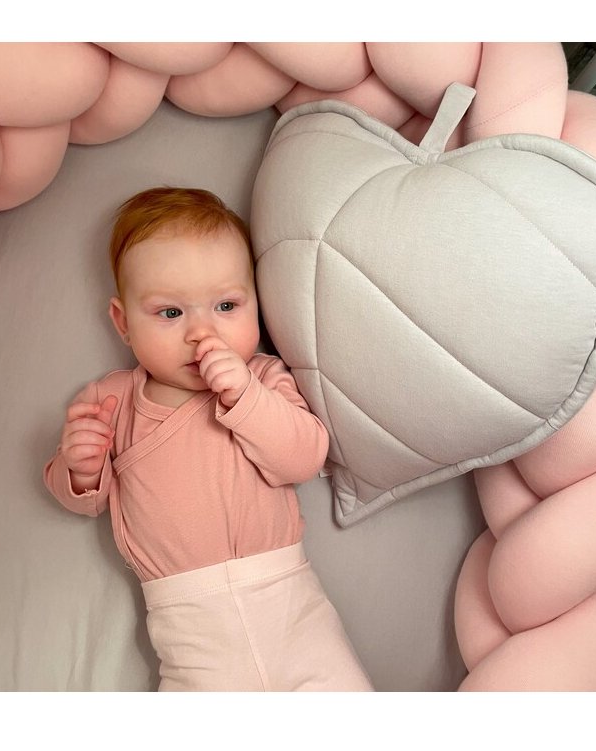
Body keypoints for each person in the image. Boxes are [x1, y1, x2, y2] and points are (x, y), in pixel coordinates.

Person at [43, 186, 373, 691]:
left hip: (291, 607)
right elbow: (85, 500)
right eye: (171, 313)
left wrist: (246, 395)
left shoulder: (263, 378)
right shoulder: (112, 400)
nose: (202, 333)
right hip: (190, 630)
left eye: (226, 305)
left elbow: (304, 458)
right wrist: (79, 467)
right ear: (123, 323)